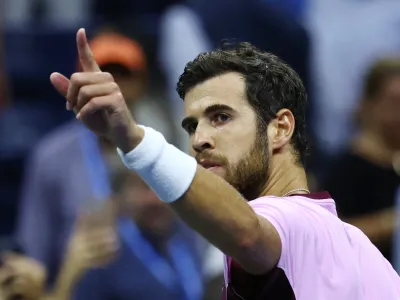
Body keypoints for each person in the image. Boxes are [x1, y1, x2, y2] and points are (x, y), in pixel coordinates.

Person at [50, 29, 400, 300]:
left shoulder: (288, 220)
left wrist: (133, 140)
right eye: (192, 125)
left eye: (220, 117)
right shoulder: (362, 250)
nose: (198, 139)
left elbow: (248, 234)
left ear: (280, 128)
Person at [16, 29, 175, 283]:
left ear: (142, 83)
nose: (111, 87)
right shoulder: (51, 156)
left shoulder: (163, 148)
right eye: (99, 76)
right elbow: (34, 253)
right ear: (77, 86)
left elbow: (187, 244)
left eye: (122, 76)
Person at [323, 58, 400, 265]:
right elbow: (329, 235)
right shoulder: (344, 169)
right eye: (394, 102)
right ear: (369, 105)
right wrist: (390, 224)